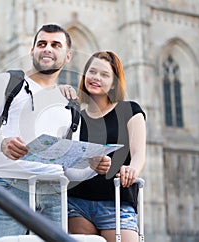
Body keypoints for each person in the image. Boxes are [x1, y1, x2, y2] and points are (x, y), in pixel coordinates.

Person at [0, 24, 108, 242]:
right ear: (32, 51)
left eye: (55, 45)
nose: (47, 48)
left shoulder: (70, 104)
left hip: (54, 194)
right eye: (42, 44)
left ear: (67, 56)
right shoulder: (7, 83)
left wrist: (93, 168)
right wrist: (1, 143)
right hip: (7, 189)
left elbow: (68, 170)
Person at [67, 51, 146, 242]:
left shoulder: (130, 110)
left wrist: (131, 170)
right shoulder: (75, 117)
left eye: (104, 75)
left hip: (117, 201)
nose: (96, 78)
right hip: (77, 204)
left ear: (114, 83)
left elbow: (138, 154)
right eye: (92, 72)